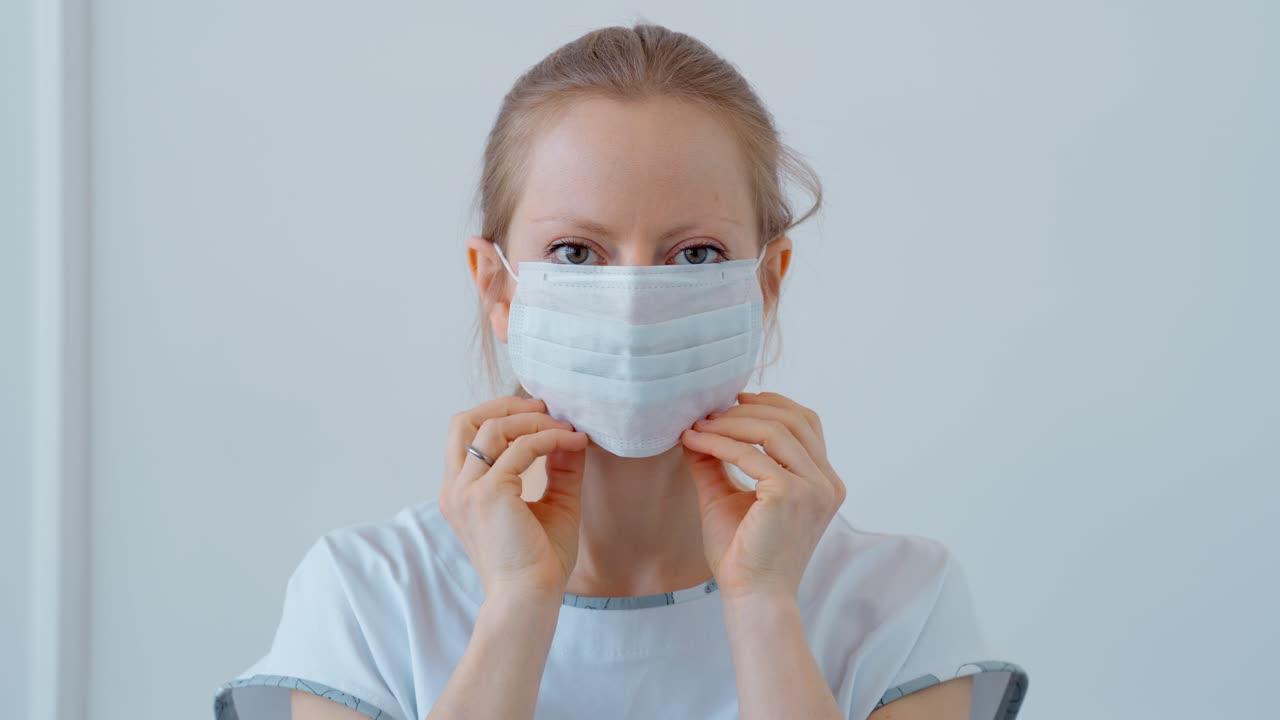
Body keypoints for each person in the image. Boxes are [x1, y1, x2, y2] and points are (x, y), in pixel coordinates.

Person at [213, 22, 1029, 720]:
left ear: (767, 281)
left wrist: (765, 607)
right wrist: (517, 606)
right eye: (577, 252)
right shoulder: (367, 596)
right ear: (497, 284)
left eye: (695, 253)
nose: (635, 298)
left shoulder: (897, 603)